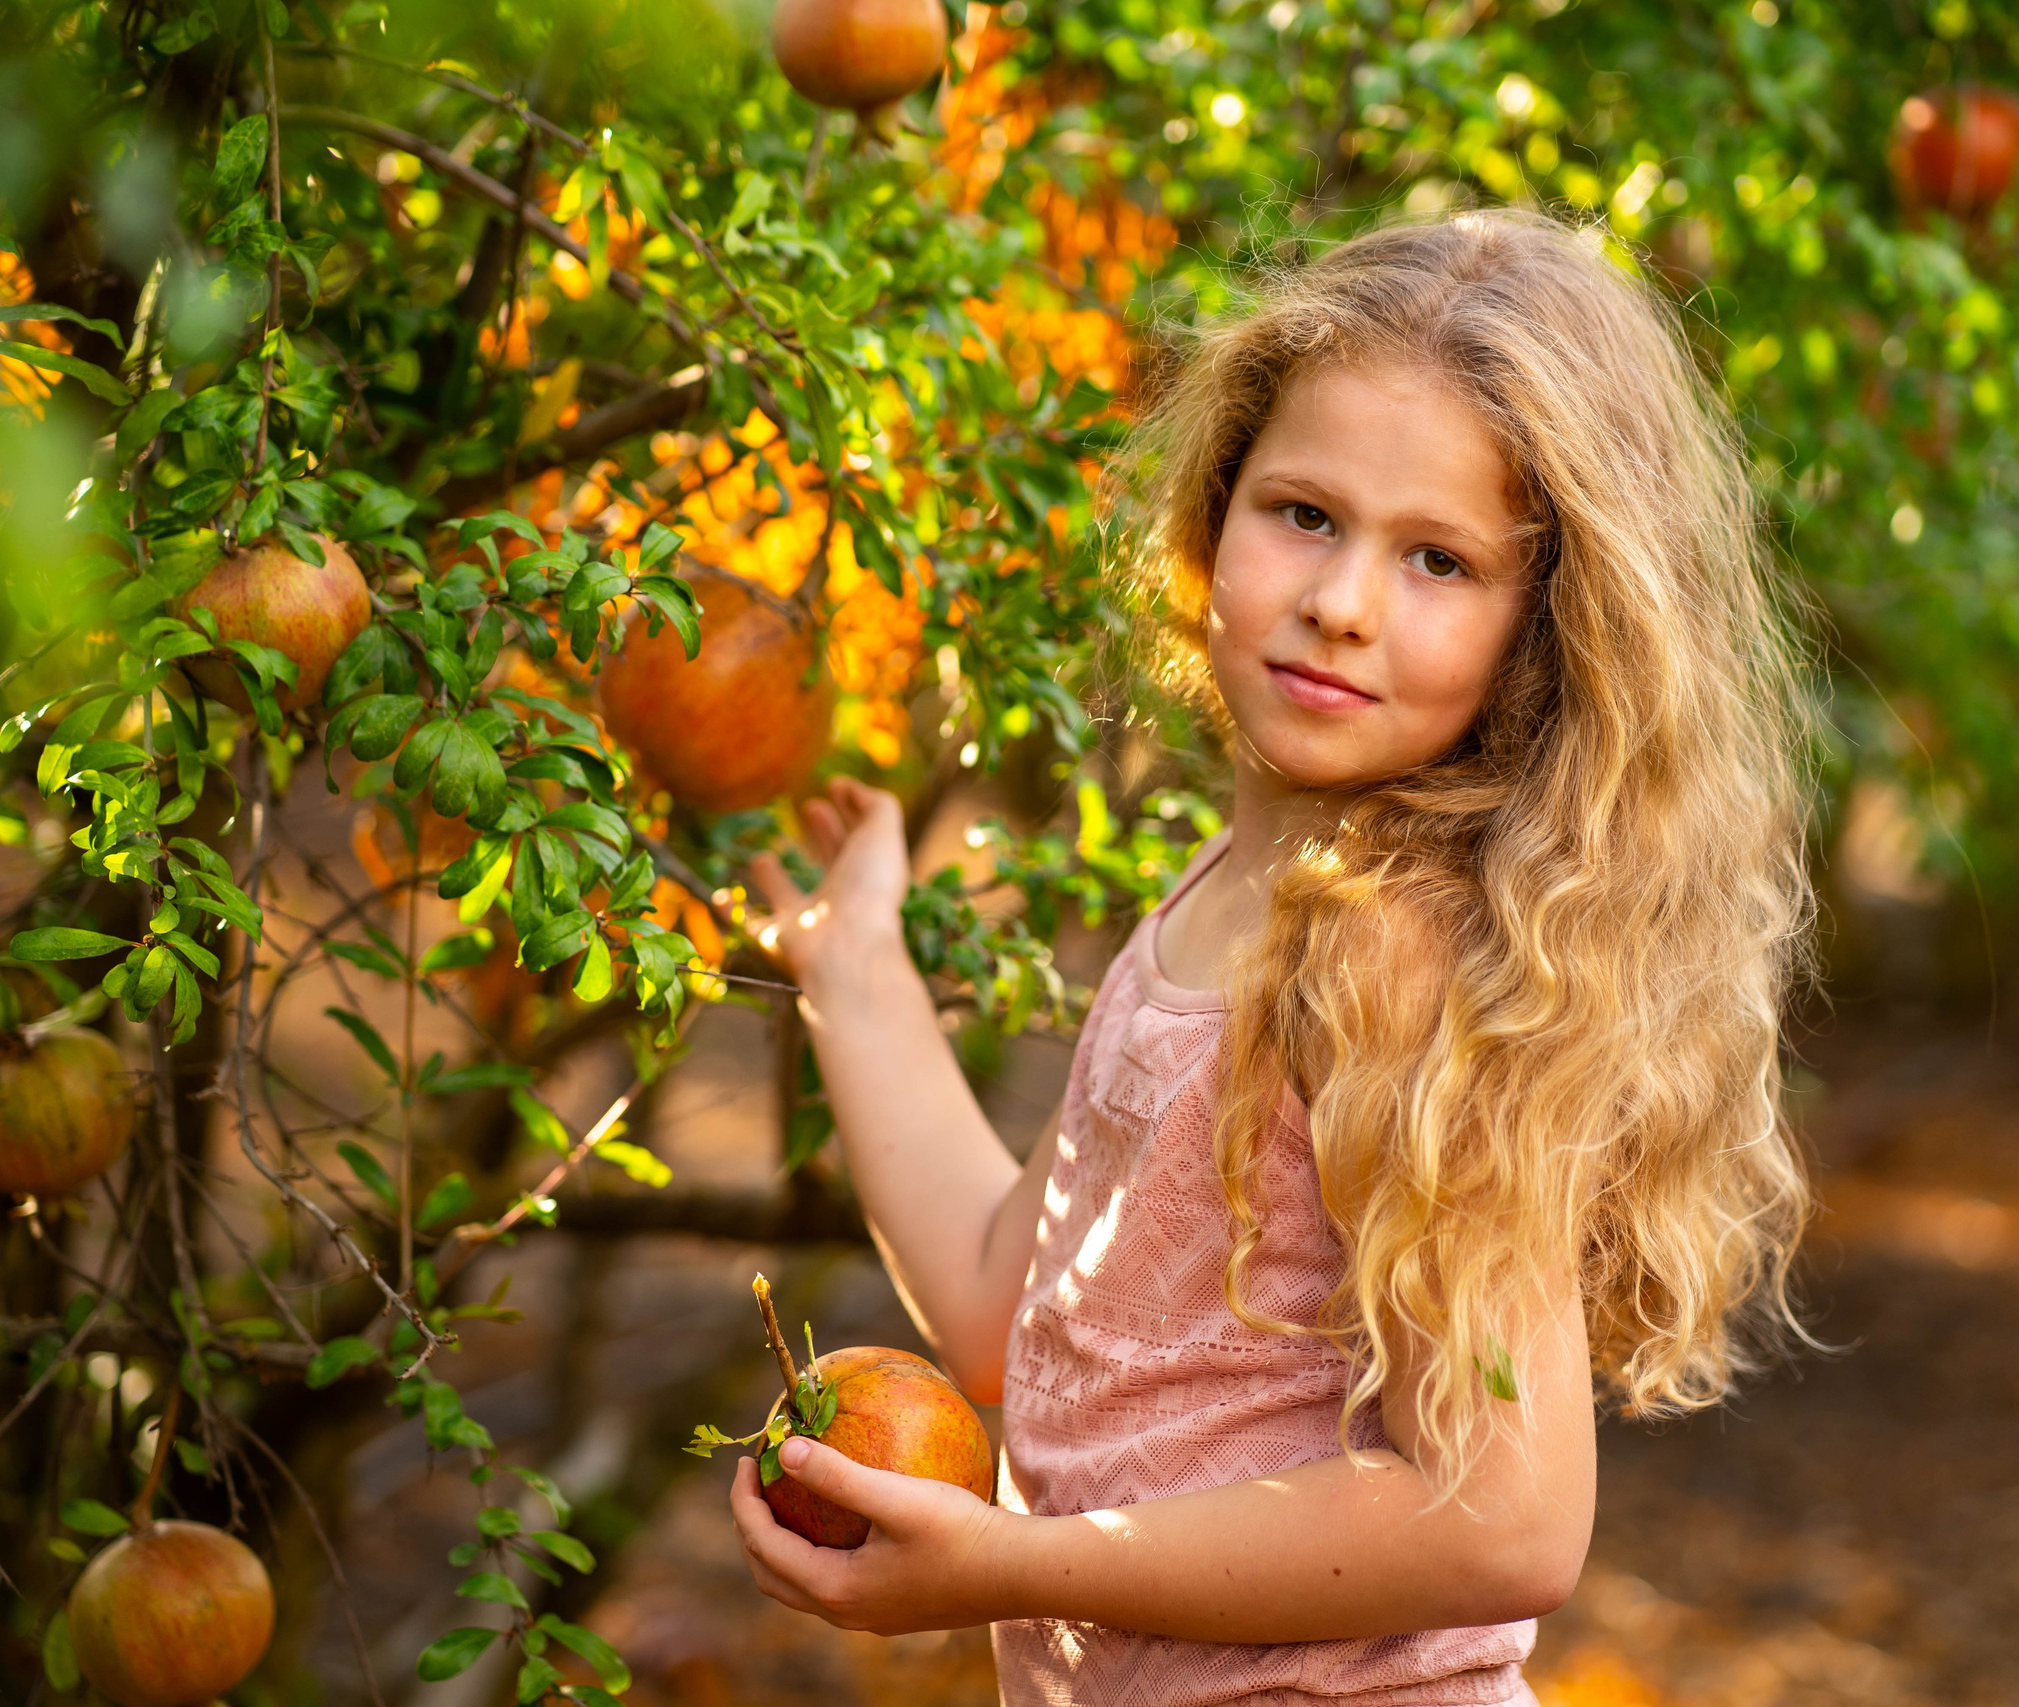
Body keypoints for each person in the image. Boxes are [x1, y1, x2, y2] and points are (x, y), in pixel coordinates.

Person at [730, 207, 1815, 1705]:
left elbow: (1503, 1514)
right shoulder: (1232, 900)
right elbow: (1011, 1303)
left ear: (1545, 630)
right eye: (1304, 513)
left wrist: (1015, 1563)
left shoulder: (1382, 957)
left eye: (1438, 559)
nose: (1343, 602)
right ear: (1212, 511)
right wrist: (856, 968)